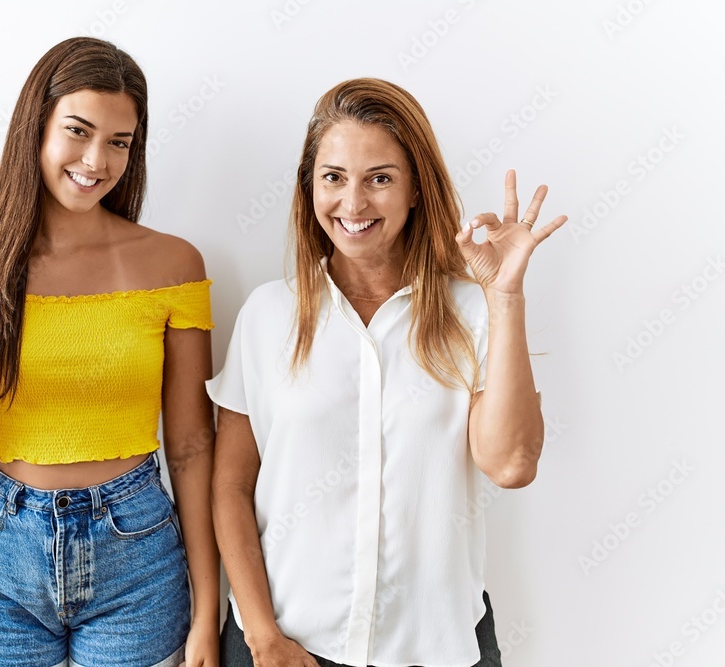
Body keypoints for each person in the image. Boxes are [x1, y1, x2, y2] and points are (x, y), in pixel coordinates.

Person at [208, 78, 566, 667]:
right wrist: (263, 637)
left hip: (436, 648)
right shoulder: (267, 315)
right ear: (309, 188)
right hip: (284, 647)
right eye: (334, 178)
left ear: (415, 189)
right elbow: (231, 487)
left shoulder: (474, 313)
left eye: (379, 178)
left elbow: (511, 465)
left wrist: (504, 296)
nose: (353, 204)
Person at [0, 37, 220, 667]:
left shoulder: (173, 264)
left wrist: (208, 613)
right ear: (35, 127)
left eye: (120, 142)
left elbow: (191, 448)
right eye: (78, 131)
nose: (97, 160)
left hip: (138, 558)